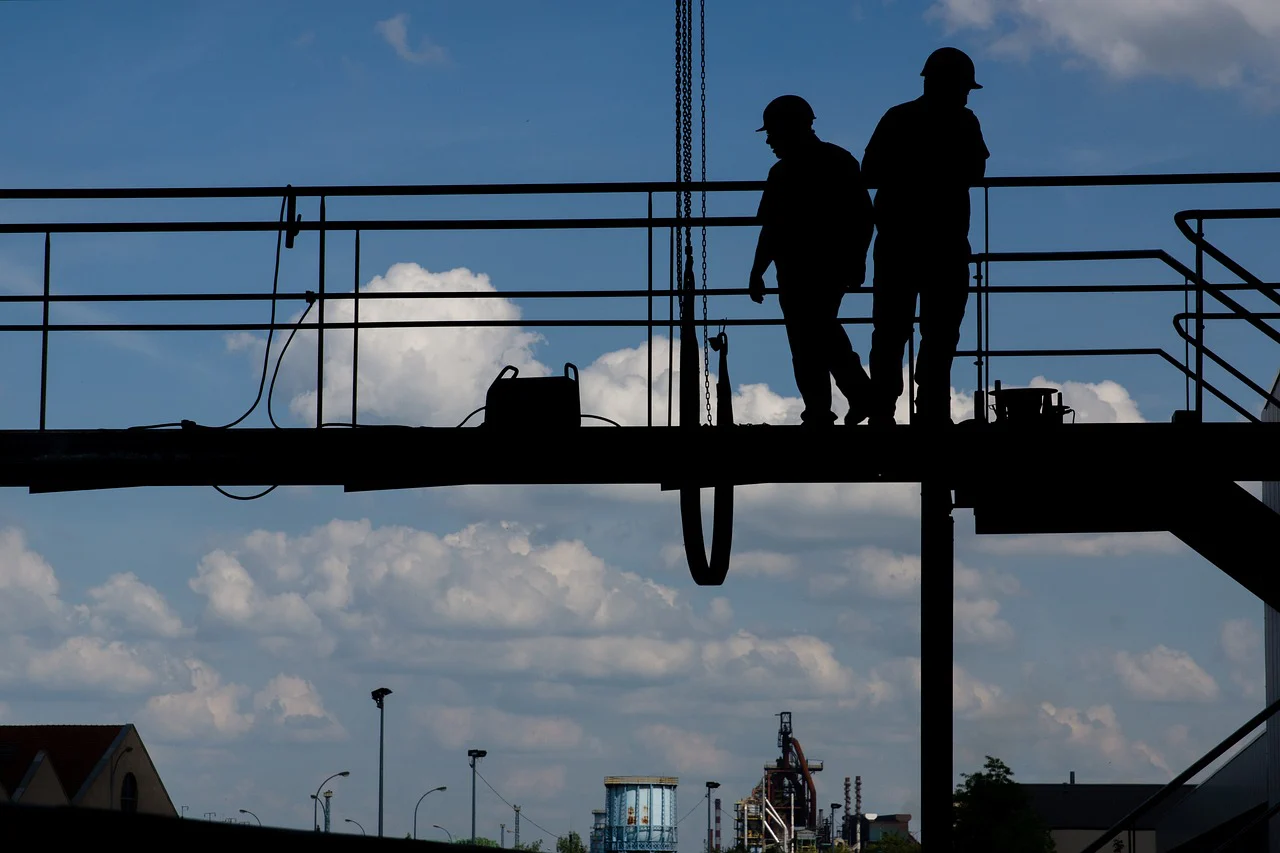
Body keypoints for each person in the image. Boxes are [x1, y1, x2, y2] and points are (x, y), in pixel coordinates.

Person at [863, 46, 990, 426]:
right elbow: (976, 173)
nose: (966, 94)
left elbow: (869, 172)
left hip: (899, 242)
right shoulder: (965, 123)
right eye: (964, 87)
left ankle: (883, 410)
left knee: (890, 330)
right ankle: (932, 409)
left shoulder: (898, 118)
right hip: (945, 244)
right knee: (940, 331)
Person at [748, 94, 876, 427]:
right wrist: (857, 261)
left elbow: (772, 229)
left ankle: (832, 406)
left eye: (773, 133)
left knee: (810, 337)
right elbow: (864, 218)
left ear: (790, 129)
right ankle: (847, 400)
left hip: (802, 269)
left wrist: (758, 271)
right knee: (817, 333)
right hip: (818, 268)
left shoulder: (785, 172)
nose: (770, 141)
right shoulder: (837, 161)